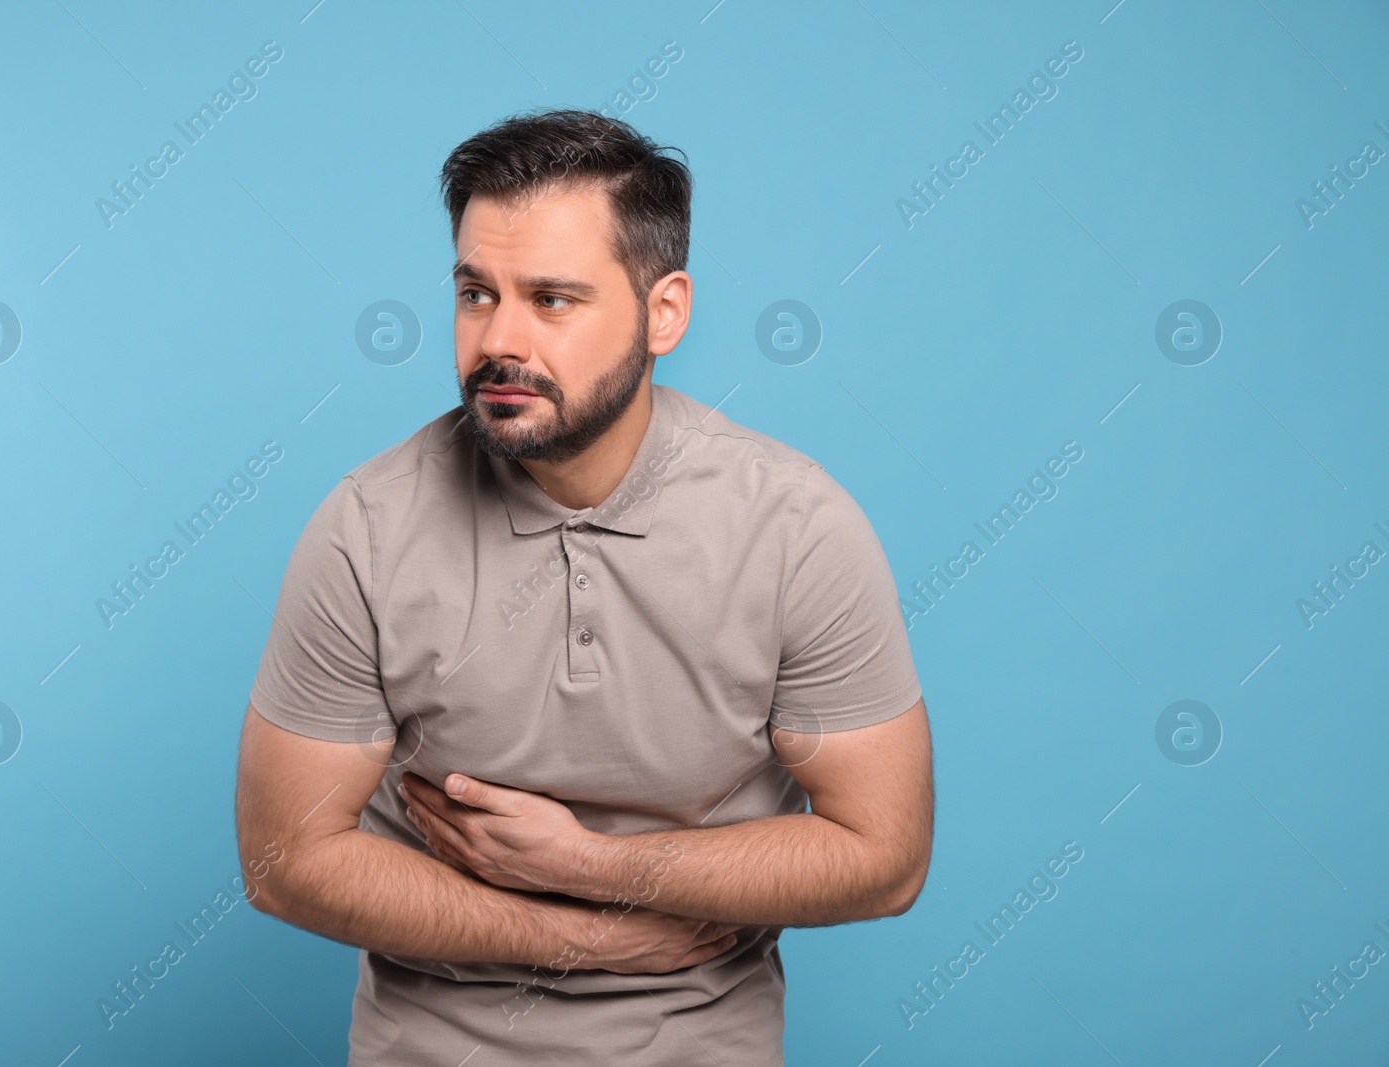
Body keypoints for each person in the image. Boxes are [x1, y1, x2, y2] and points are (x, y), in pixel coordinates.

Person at [235, 107, 933, 1066]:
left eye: (552, 299)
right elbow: (284, 862)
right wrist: (588, 936)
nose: (498, 340)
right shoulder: (365, 528)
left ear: (665, 312)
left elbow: (885, 855)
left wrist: (589, 864)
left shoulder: (798, 529)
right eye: (476, 293)